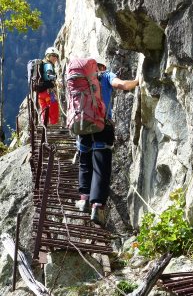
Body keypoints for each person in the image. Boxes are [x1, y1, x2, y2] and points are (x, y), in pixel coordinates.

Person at [75, 60, 139, 226]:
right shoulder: (105, 76)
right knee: (100, 166)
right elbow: (123, 85)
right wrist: (139, 80)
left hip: (82, 126)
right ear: (100, 67)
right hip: (102, 125)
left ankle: (83, 199)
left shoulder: (80, 79)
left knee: (85, 163)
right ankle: (97, 206)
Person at [38, 47, 60, 125]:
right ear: (48, 56)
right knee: (53, 107)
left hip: (40, 93)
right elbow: (49, 75)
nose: (55, 58)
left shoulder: (43, 64)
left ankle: (45, 126)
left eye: (56, 56)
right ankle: (54, 125)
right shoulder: (48, 65)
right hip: (49, 93)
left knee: (44, 110)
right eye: (53, 55)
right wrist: (56, 80)